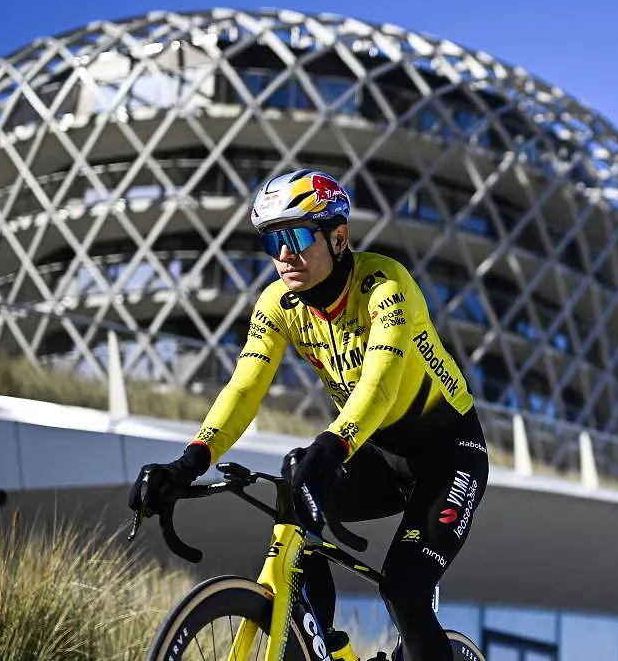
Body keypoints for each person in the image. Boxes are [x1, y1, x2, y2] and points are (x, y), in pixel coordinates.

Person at [130, 169, 488, 661]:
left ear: (338, 238)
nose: (283, 254)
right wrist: (190, 461)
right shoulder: (278, 305)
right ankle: (323, 647)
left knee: (404, 590)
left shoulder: (386, 287)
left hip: (447, 454)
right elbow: (244, 388)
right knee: (295, 491)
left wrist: (332, 445)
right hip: (374, 449)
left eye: (296, 237)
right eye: (270, 240)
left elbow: (380, 386)